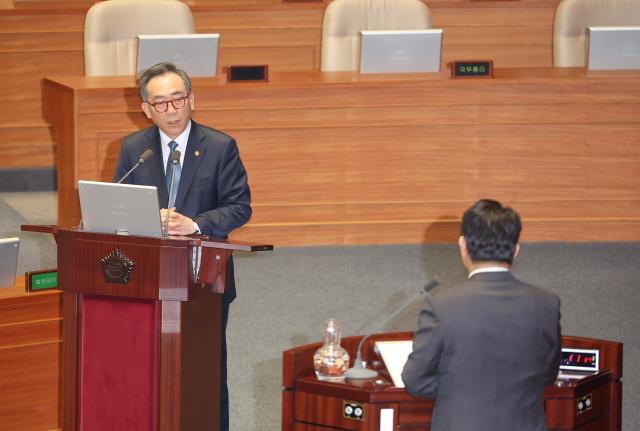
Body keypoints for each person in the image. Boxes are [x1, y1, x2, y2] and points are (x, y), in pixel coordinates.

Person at [114, 62, 251, 431]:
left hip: (204, 276)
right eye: (160, 103)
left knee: (204, 367)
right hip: (146, 274)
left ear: (192, 99)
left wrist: (195, 224)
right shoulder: (133, 148)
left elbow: (240, 207)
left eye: (178, 99)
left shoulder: (220, 147)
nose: (171, 110)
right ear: (145, 108)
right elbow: (120, 205)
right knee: (146, 365)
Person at [401, 199, 561, 431]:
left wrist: (458, 388)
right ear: (516, 250)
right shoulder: (547, 303)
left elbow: (415, 381)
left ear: (463, 245)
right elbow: (547, 375)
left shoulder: (442, 304)